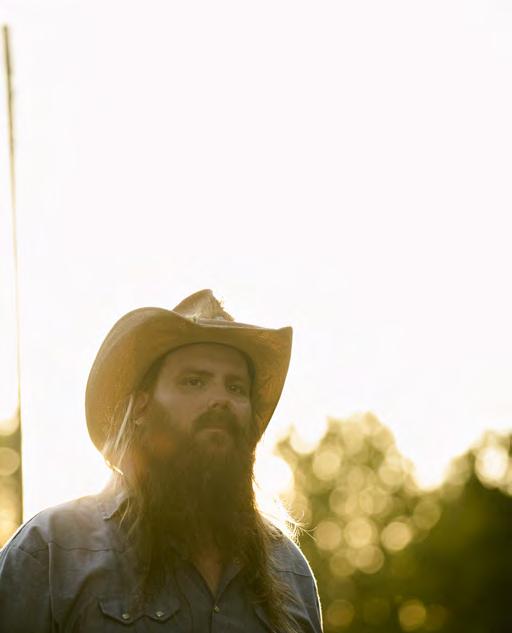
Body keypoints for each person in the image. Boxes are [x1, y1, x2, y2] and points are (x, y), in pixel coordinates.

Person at [0, 289, 323, 632]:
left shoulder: (289, 572)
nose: (220, 399)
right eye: (194, 382)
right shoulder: (51, 553)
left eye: (236, 388)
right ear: (141, 407)